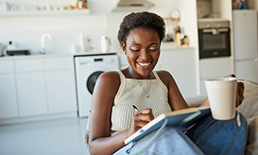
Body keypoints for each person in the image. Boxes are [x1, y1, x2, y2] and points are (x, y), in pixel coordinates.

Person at [87, 11, 247, 155]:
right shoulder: (109, 80)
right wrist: (130, 132)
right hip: (132, 149)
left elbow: (187, 123)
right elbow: (94, 147)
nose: (145, 56)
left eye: (153, 48)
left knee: (233, 121)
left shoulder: (164, 78)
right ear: (124, 48)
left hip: (172, 145)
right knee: (165, 134)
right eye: (136, 49)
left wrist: (218, 98)